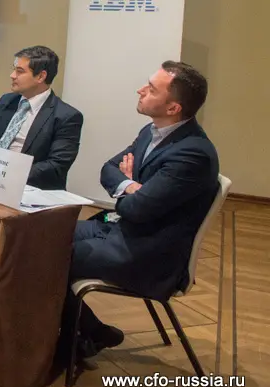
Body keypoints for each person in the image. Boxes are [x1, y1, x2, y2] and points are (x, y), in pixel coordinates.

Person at [58, 61, 218, 364]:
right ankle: (92, 332)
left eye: (152, 89)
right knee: (42, 236)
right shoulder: (152, 131)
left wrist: (128, 188)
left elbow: (138, 209)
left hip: (148, 255)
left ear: (173, 108)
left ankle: (73, 340)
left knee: (46, 257)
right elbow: (108, 169)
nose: (140, 90)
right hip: (122, 230)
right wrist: (132, 186)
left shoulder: (192, 153)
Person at [0, 45, 83, 190]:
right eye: (14, 69)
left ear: (41, 77)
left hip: (31, 188)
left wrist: (7, 173)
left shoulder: (66, 116)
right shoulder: (7, 101)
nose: (12, 75)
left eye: (20, 71)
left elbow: (56, 165)